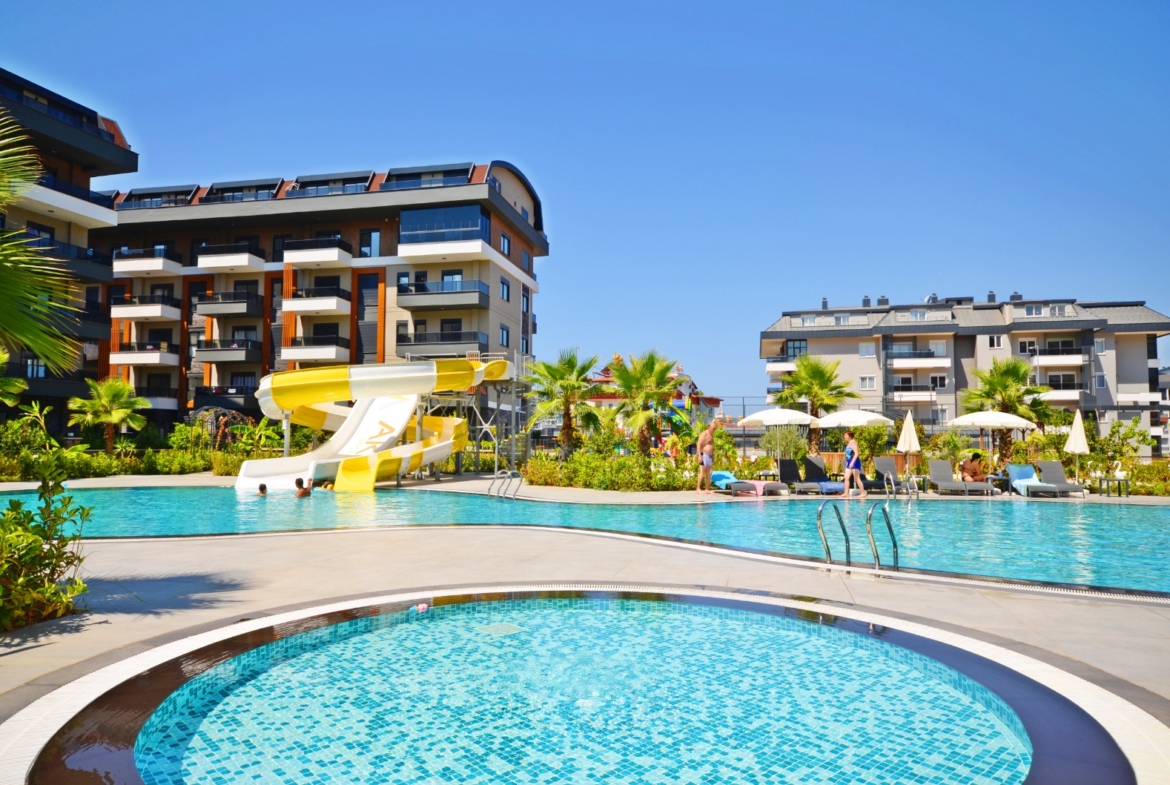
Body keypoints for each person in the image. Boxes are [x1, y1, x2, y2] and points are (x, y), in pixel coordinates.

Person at [841, 430, 866, 498]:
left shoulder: (853, 443)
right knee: (846, 477)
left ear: (850, 436)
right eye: (844, 435)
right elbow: (848, 455)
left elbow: (856, 454)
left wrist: (852, 462)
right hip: (849, 462)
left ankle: (863, 493)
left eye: (845, 435)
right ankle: (846, 493)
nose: (844, 436)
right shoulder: (848, 443)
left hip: (855, 462)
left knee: (857, 478)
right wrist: (847, 463)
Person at [695, 421, 717, 494]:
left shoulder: (711, 435)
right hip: (703, 454)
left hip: (709, 456)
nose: (714, 430)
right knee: (702, 472)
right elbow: (698, 444)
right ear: (709, 427)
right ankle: (698, 488)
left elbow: (711, 446)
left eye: (715, 429)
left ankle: (707, 489)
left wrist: (712, 455)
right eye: (713, 428)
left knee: (709, 472)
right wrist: (699, 455)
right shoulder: (704, 434)